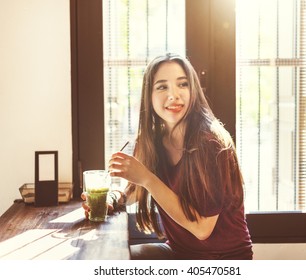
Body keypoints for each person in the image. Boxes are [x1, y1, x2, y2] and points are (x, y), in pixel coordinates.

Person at [82, 53, 253, 260]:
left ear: (194, 91)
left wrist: (146, 177)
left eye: (183, 84)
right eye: (162, 87)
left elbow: (202, 228)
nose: (174, 95)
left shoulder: (210, 142)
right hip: (179, 253)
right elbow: (134, 190)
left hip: (221, 260)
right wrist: (113, 198)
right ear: (149, 95)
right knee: (109, 259)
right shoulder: (153, 140)